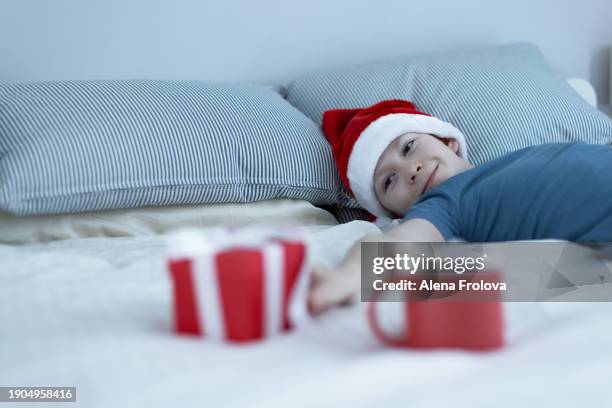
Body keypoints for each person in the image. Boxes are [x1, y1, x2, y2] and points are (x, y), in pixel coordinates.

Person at [309, 99, 612, 313]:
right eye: (389, 181)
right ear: (393, 212)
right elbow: (395, 245)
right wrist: (350, 275)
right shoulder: (442, 205)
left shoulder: (514, 159)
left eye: (408, 147)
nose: (410, 169)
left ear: (448, 141)